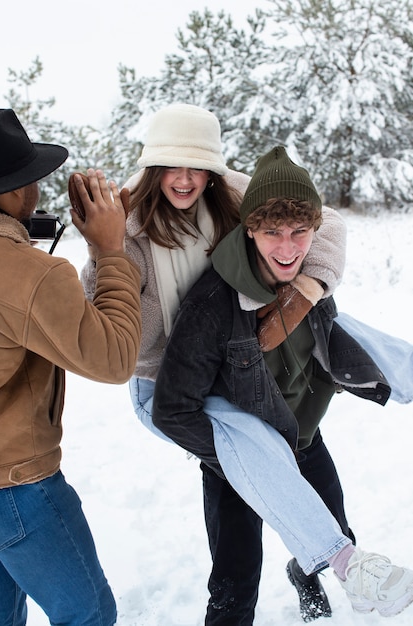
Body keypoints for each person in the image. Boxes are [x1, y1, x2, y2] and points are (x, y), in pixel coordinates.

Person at [79, 104, 355, 621]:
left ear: (212, 167)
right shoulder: (129, 228)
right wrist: (103, 251)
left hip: (243, 369)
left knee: (328, 515)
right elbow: (108, 336)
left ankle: (311, 562)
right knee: (239, 506)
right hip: (168, 387)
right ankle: (233, 604)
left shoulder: (230, 192)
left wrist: (308, 287)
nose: (184, 179)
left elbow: (324, 221)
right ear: (153, 166)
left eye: (196, 165)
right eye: (171, 165)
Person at [152, 144, 413, 620]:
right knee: (235, 584)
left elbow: (329, 338)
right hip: (237, 464)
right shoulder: (211, 305)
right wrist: (242, 453)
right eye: (273, 232)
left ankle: (303, 572)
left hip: (304, 439)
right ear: (250, 229)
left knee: (336, 538)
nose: (288, 247)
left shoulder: (311, 274)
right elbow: (171, 408)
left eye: (300, 231)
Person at [0, 109, 142, 625]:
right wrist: (109, 248)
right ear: (15, 191)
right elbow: (116, 357)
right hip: (15, 487)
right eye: (32, 177)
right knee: (88, 614)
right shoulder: (29, 276)